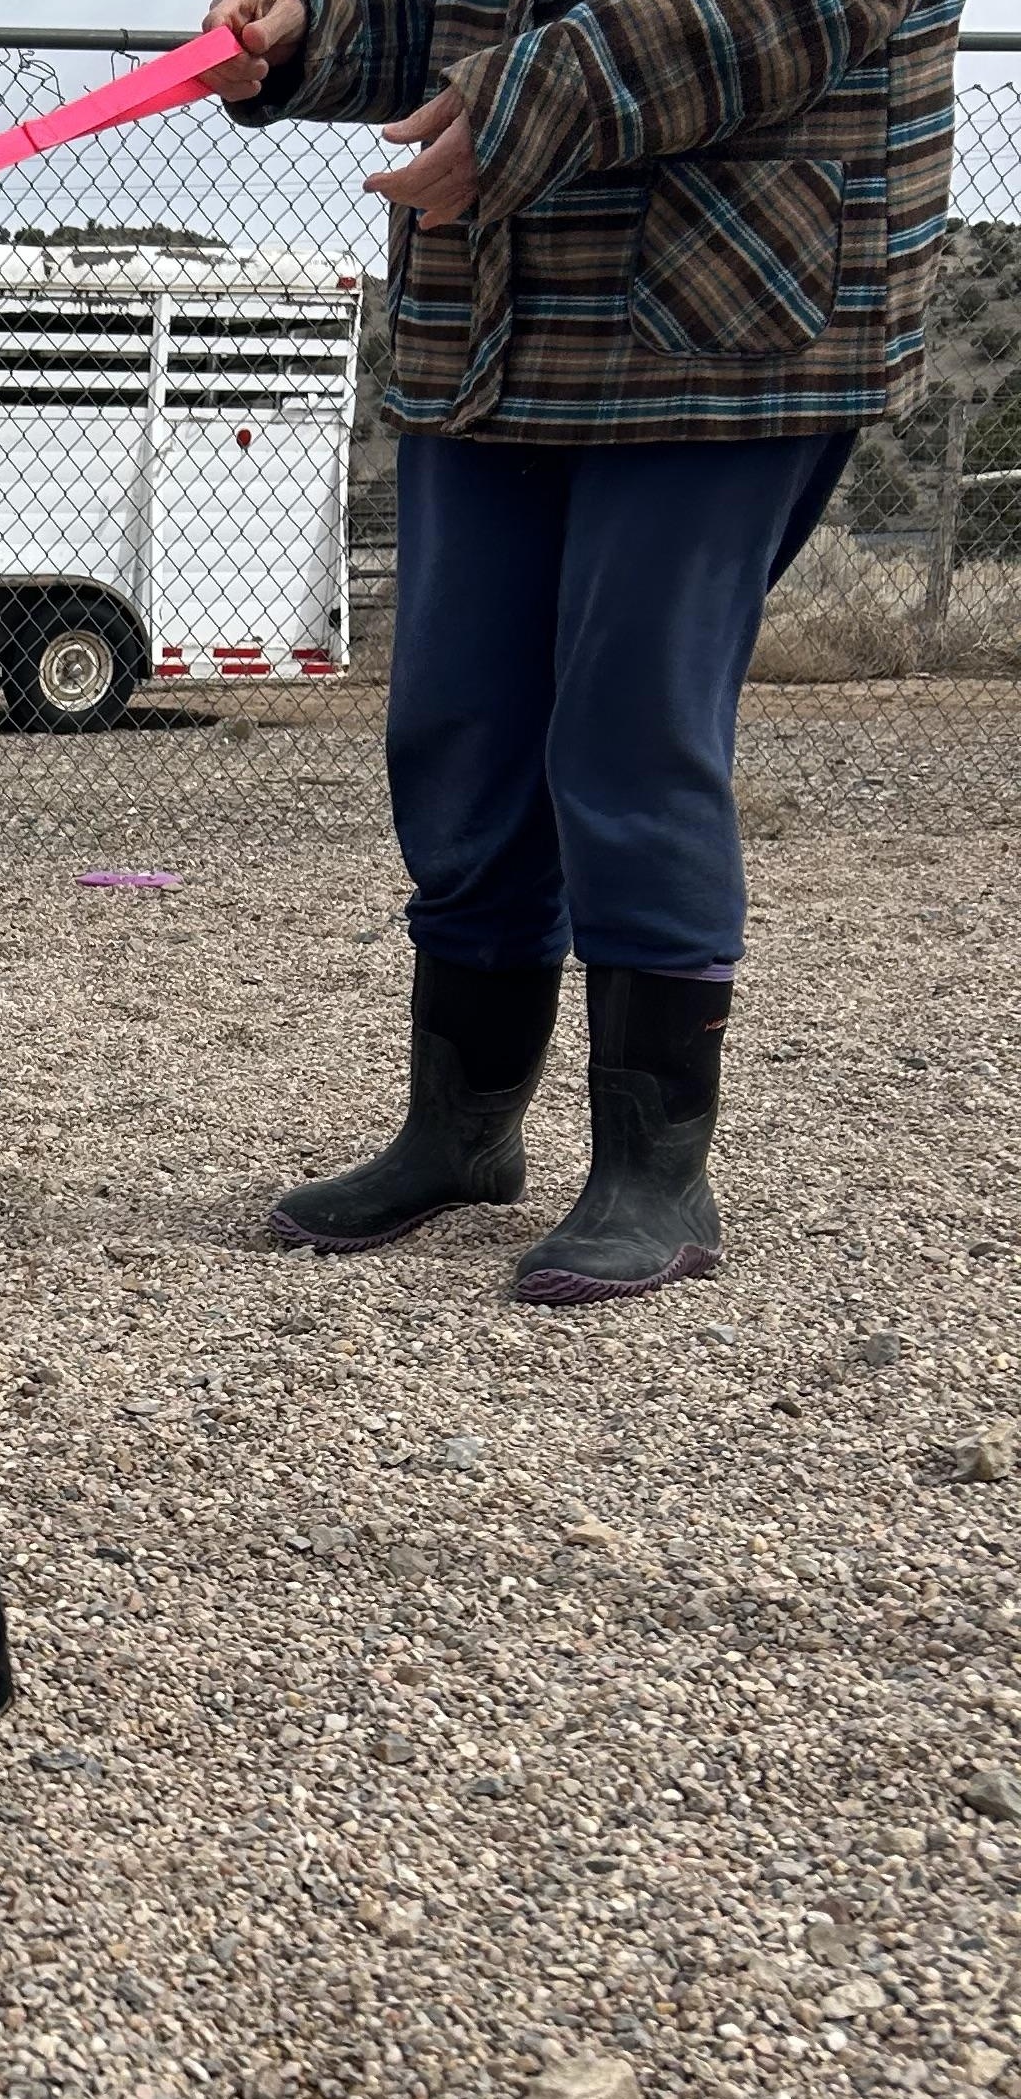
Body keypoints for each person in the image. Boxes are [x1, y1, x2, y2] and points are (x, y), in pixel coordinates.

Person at [205, 0, 963, 1301]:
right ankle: (460, 1130)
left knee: (631, 727)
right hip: (489, 305)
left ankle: (653, 1167)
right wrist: (311, 36)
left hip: (736, 300)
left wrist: (536, 101)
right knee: (459, 721)